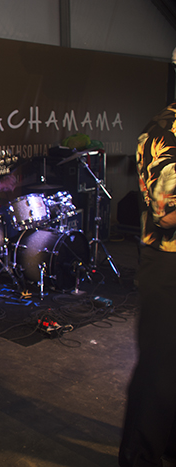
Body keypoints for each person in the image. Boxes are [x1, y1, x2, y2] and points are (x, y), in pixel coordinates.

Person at [119, 103, 176, 467]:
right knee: (159, 370)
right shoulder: (164, 131)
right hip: (168, 265)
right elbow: (167, 214)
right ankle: (139, 457)